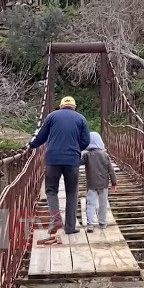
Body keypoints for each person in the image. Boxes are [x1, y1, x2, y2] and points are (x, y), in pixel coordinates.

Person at [28, 96, 90, 235]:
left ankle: (56, 219)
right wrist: (75, 149)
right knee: (72, 193)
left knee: (51, 191)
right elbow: (86, 141)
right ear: (74, 107)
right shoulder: (81, 119)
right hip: (72, 161)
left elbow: (41, 136)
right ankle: (70, 227)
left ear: (61, 106)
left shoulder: (51, 116)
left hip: (52, 159)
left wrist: (31, 145)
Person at [80, 131, 117, 232]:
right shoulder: (105, 155)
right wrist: (114, 183)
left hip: (91, 183)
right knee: (103, 203)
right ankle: (102, 222)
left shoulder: (87, 155)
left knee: (91, 203)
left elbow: (78, 162)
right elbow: (111, 170)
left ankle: (90, 224)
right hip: (103, 184)